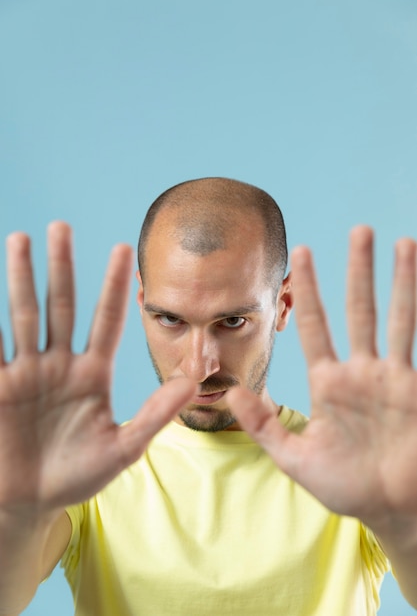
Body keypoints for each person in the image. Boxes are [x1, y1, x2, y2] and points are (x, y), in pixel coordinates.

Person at [0, 177, 416, 616]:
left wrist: (403, 525)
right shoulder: (85, 467)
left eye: (233, 321)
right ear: (142, 300)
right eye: (170, 320)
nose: (200, 367)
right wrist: (18, 515)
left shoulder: (352, 468)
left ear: (284, 304)